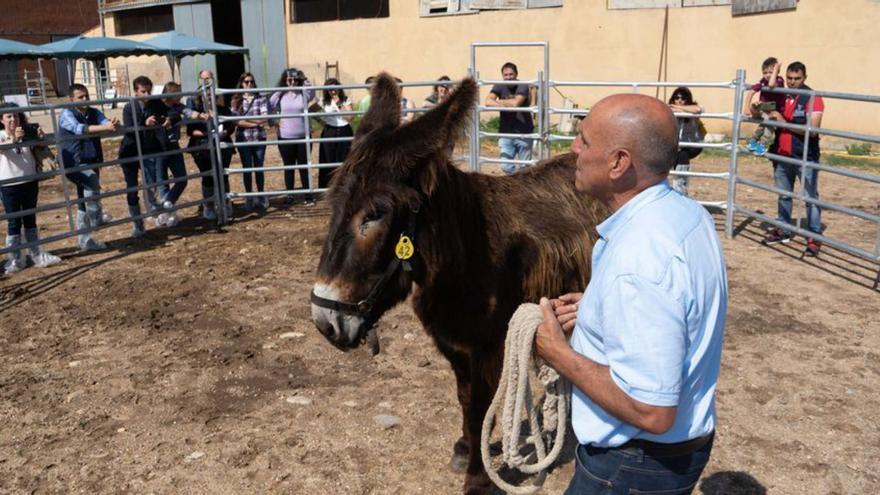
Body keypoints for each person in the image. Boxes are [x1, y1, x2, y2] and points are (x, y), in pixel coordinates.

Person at [534, 93, 728, 494]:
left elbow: (652, 410)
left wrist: (559, 355)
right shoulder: (685, 215)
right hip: (664, 457)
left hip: (632, 464)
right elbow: (675, 305)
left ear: (619, 163)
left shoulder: (638, 262)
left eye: (584, 141)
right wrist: (597, 308)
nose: (573, 149)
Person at [762, 61, 825, 256]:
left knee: (810, 198)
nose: (792, 82)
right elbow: (757, 110)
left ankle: (814, 236)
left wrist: (783, 122)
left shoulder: (813, 98)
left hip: (805, 156)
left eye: (797, 78)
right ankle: (783, 229)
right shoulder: (780, 94)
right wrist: (757, 108)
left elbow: (813, 131)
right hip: (782, 155)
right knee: (784, 194)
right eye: (789, 78)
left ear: (805, 77)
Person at [58, 83, 119, 251]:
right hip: (74, 161)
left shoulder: (93, 112)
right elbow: (79, 129)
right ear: (71, 99)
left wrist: (112, 123)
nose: (85, 99)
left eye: (86, 96)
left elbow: (104, 120)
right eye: (80, 97)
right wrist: (105, 127)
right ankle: (96, 218)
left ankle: (85, 240)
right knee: (91, 183)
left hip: (92, 158)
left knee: (83, 199)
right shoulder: (66, 113)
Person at [1, 104, 61, 273]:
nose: (13, 120)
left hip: (29, 181)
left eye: (16, 116)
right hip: (9, 185)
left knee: (30, 219)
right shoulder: (1, 135)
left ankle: (36, 254)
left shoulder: (26, 133)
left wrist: (40, 139)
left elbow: (42, 151)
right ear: (1, 120)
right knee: (14, 221)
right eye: (9, 117)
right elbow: (3, 149)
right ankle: (15, 259)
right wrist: (14, 139)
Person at [119, 75, 169, 237]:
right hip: (131, 151)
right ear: (136, 91)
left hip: (148, 149)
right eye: (143, 91)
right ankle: (137, 223)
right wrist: (144, 124)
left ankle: (154, 212)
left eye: (148, 91)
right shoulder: (129, 107)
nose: (146, 94)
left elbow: (171, 112)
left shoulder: (155, 103)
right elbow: (129, 128)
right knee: (132, 188)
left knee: (152, 181)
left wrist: (169, 119)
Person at [186, 71, 230, 220]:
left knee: (223, 174)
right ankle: (209, 205)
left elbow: (231, 126)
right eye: (206, 96)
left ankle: (225, 203)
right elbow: (191, 131)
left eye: (212, 95)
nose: (209, 97)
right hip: (202, 147)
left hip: (222, 145)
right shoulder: (197, 112)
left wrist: (224, 132)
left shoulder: (223, 109)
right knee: (208, 176)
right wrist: (207, 134)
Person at [270, 68, 316, 206]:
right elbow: (271, 103)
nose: (293, 81)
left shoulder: (303, 94)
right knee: (289, 167)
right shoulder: (281, 95)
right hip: (285, 137)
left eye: (295, 79)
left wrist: (304, 77)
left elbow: (312, 92)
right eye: (290, 79)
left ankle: (308, 195)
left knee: (304, 167)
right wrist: (283, 87)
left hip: (303, 136)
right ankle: (290, 195)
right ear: (285, 80)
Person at [484, 62, 534, 174]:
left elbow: (516, 103)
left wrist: (499, 101)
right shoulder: (499, 85)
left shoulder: (523, 85)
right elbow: (487, 101)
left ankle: (522, 186)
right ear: (502, 76)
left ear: (516, 74)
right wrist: (505, 104)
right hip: (505, 133)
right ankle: (518, 181)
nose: (508, 77)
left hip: (523, 132)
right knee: (505, 166)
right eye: (505, 75)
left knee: (525, 168)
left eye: (511, 74)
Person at [231, 72, 270, 211]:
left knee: (259, 167)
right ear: (241, 83)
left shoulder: (261, 98)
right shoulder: (236, 100)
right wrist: (255, 123)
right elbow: (236, 121)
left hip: (259, 137)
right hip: (243, 138)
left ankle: (260, 195)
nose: (249, 84)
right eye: (246, 82)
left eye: (251, 82)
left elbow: (265, 117)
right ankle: (249, 196)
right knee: (247, 168)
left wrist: (247, 122)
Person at [158, 82, 191, 226]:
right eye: (179, 93)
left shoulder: (179, 107)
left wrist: (202, 115)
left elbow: (188, 112)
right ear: (172, 94)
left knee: (182, 179)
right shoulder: (157, 106)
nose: (182, 96)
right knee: (163, 183)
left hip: (173, 146)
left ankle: (167, 207)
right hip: (158, 148)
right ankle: (168, 215)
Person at [743, 57, 786, 155]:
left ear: (777, 72)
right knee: (763, 124)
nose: (767, 75)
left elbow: (771, 85)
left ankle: (762, 144)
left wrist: (776, 69)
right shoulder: (763, 81)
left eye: (771, 72)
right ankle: (753, 141)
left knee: (769, 124)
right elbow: (751, 92)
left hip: (776, 110)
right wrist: (746, 107)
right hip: (767, 108)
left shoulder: (779, 80)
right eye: (765, 72)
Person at [667, 87, 704, 197]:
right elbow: (666, 109)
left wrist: (678, 108)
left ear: (688, 100)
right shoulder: (669, 109)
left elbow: (698, 109)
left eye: (683, 98)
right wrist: (678, 109)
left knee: (682, 155)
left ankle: (680, 190)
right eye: (676, 98)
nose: (679, 100)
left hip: (691, 145)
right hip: (674, 144)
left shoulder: (692, 110)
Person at [317, 78, 353, 189]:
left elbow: (349, 118)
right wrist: (321, 122)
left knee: (344, 158)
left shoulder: (346, 99)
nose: (333, 91)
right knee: (328, 158)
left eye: (335, 88)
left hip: (344, 130)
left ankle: (344, 185)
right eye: (330, 89)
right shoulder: (324, 100)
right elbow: (310, 110)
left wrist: (339, 105)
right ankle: (328, 186)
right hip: (329, 131)